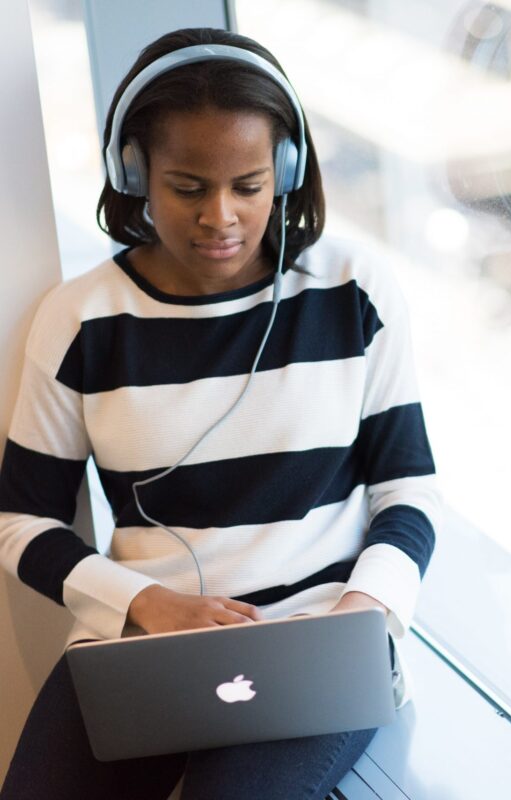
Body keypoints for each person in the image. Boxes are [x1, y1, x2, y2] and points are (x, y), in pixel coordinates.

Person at [0, 26, 438, 799]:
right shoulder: (79, 321)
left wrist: (362, 613)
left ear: (288, 172)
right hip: (143, 641)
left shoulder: (353, 293)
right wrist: (146, 605)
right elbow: (20, 521)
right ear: (133, 173)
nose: (222, 217)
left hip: (315, 639)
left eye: (249, 184)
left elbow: (409, 492)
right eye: (189, 186)